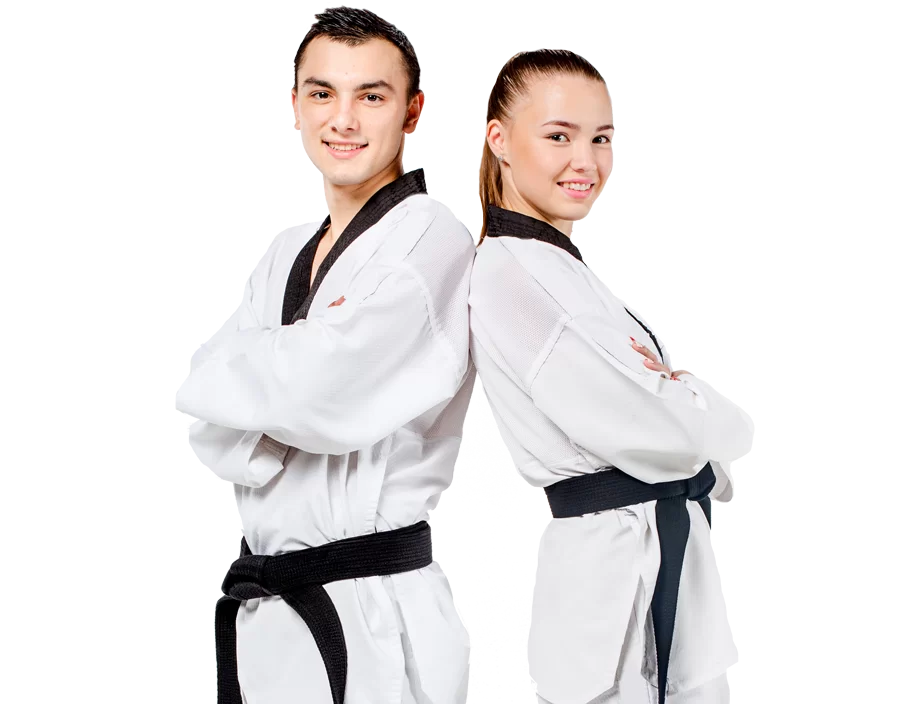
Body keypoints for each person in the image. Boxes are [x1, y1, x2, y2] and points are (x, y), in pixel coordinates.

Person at [175, 6, 475, 704]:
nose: (343, 119)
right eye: (322, 93)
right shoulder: (287, 250)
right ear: (295, 105)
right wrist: (276, 389)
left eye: (371, 96)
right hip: (271, 610)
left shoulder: (432, 236)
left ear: (412, 110)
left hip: (375, 613)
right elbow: (208, 425)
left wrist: (264, 389)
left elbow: (319, 390)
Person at [468, 50, 751, 704]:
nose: (586, 162)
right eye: (559, 136)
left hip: (644, 560)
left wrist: (673, 397)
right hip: (606, 588)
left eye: (601, 139)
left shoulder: (560, 267)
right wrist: (687, 397)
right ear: (499, 140)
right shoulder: (514, 278)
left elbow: (658, 415)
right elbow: (664, 428)